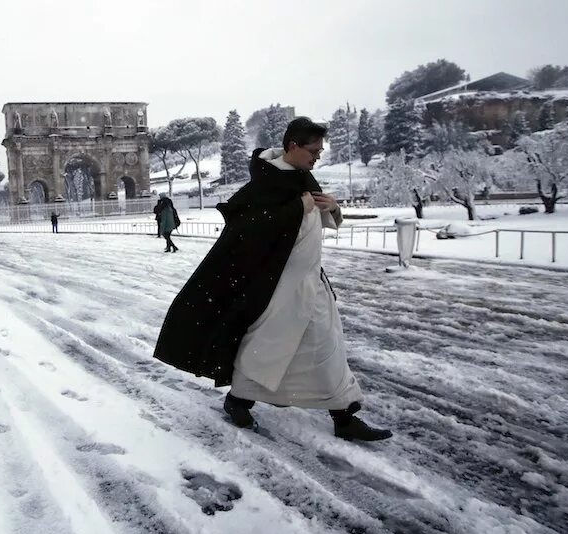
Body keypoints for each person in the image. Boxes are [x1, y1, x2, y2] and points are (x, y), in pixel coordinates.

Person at [154, 117, 391, 442]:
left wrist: (332, 207)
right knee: (266, 349)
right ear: (292, 146)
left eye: (320, 152)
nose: (317, 157)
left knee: (328, 347)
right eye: (313, 151)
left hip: (312, 282)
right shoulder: (264, 183)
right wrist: (299, 205)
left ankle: (344, 417)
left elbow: (317, 219)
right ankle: (238, 400)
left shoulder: (303, 177)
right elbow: (253, 229)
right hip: (276, 286)